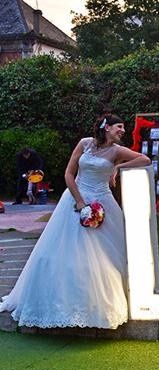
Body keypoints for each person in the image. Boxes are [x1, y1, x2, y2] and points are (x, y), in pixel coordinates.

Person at [0, 113, 150, 329]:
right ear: (106, 127)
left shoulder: (117, 151)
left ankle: (98, 306)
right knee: (63, 251)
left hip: (102, 200)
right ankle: (59, 303)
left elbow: (144, 159)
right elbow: (69, 174)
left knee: (104, 256)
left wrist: (117, 167)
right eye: (119, 127)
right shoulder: (84, 144)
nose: (123, 131)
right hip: (75, 198)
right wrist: (80, 202)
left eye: (123, 128)